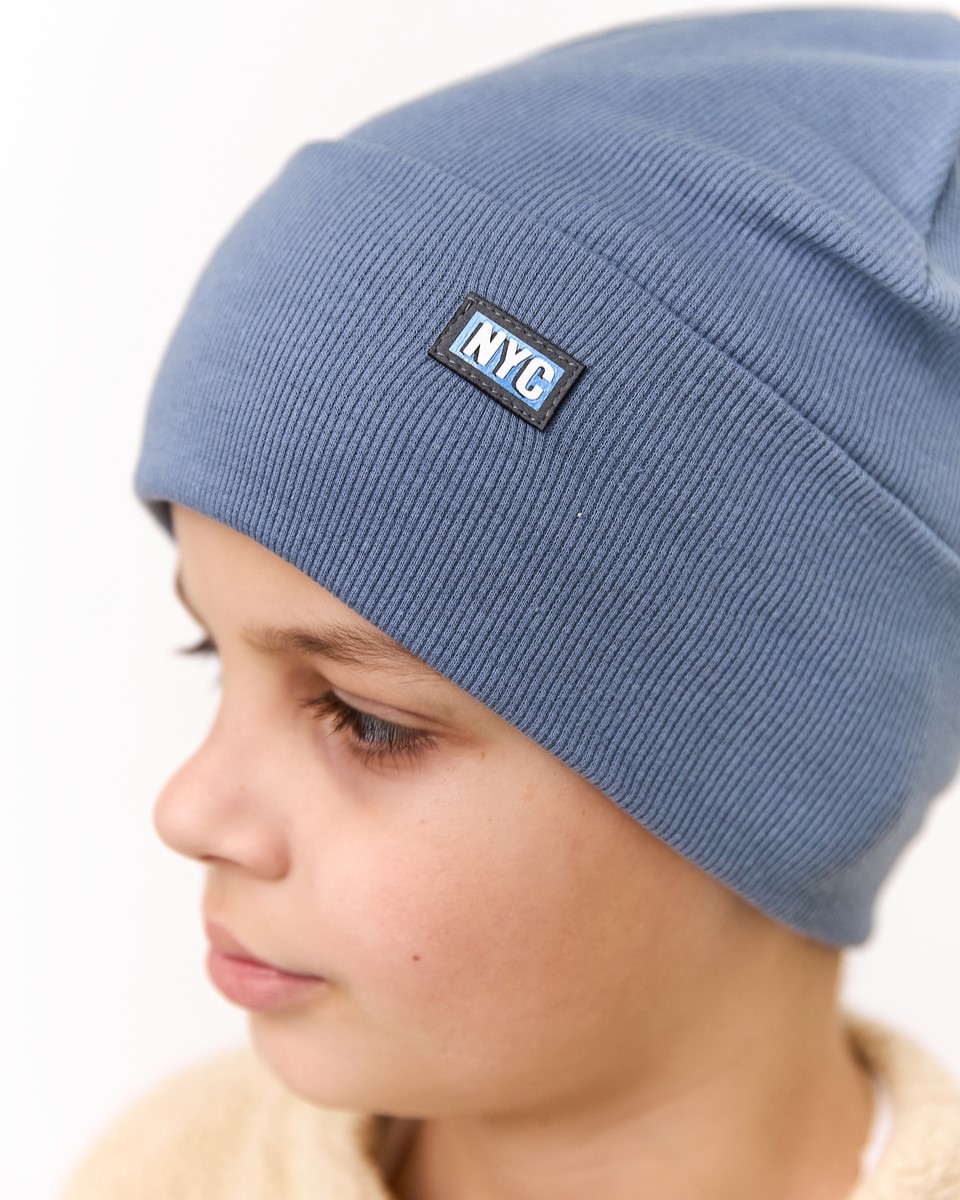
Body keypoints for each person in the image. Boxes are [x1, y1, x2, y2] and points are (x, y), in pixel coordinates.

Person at [61, 5, 960, 1199]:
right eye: (210, 652)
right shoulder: (177, 1169)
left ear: (791, 778)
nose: (188, 809)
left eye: (364, 718)